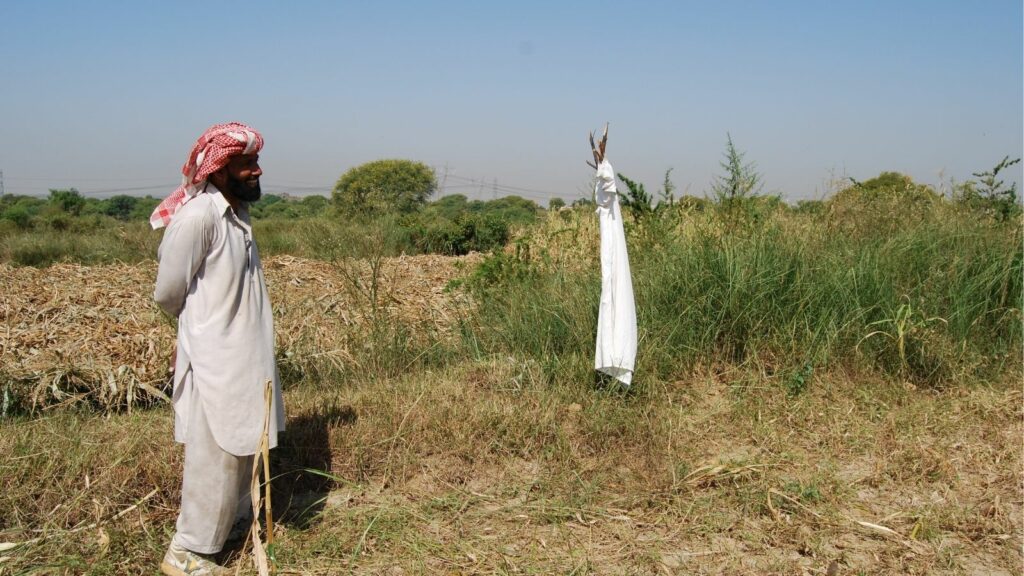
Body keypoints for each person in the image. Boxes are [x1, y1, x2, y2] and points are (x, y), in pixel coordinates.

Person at [151, 122, 285, 576]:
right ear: (220, 168)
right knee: (213, 456)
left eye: (255, 162)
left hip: (244, 355)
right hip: (214, 359)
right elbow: (168, 292)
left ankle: (228, 526)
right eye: (246, 164)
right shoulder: (199, 217)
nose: (256, 170)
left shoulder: (237, 215)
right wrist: (201, 333)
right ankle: (186, 552)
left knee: (243, 443)